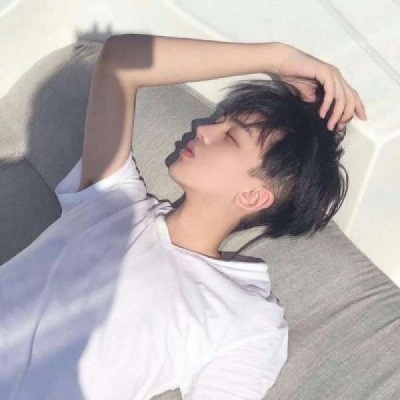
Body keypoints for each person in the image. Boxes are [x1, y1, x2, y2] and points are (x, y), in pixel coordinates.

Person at [0, 34, 367, 400]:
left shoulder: (247, 319)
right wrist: (277, 58)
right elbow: (120, 62)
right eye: (219, 120)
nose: (203, 130)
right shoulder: (114, 200)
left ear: (253, 196)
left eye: (231, 136)